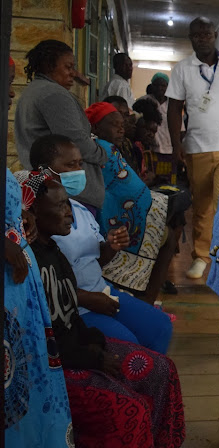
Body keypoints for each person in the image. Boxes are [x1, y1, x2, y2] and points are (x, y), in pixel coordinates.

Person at [21, 171, 185, 448]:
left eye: (68, 204)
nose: (69, 211)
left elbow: (70, 320)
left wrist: (95, 342)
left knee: (161, 371)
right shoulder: (29, 264)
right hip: (56, 368)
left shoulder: (54, 252)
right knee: (131, 409)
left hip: (79, 347)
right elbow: (52, 339)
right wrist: (97, 356)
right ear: (33, 214)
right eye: (61, 206)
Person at [4, 56, 82, 448]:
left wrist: (19, 220)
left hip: (25, 313)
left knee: (29, 416)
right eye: (7, 85)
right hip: (16, 306)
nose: (13, 95)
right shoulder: (39, 178)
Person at [27, 134, 175, 354]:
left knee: (160, 327)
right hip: (73, 307)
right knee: (129, 347)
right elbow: (41, 283)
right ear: (45, 170)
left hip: (100, 292)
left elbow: (95, 260)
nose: (79, 171)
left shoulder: (80, 209)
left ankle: (143, 383)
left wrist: (111, 247)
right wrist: (87, 299)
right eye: (70, 165)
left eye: (80, 164)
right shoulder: (35, 219)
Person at [166, 16, 219, 280]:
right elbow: (174, 109)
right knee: (201, 206)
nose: (202, 39)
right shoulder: (183, 69)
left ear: (215, 35)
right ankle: (201, 257)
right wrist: (176, 143)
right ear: (190, 39)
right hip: (196, 147)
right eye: (196, 35)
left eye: (207, 34)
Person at [84, 102, 176, 305]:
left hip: (105, 215)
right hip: (106, 222)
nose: (121, 128)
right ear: (96, 127)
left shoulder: (107, 147)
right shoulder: (103, 149)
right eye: (114, 124)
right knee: (169, 236)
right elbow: (131, 189)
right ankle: (147, 303)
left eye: (122, 123)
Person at [14, 39, 108, 211]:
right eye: (68, 67)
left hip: (51, 189)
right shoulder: (53, 94)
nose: (73, 73)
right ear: (50, 66)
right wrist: (102, 154)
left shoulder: (34, 90)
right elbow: (76, 140)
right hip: (69, 195)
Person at [149, 72, 183, 184]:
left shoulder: (172, 105)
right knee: (152, 181)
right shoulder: (145, 101)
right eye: (157, 85)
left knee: (169, 183)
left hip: (170, 151)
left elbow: (181, 130)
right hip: (151, 150)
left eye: (163, 85)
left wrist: (178, 149)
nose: (160, 88)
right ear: (152, 86)